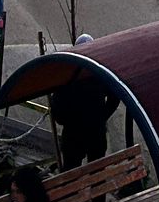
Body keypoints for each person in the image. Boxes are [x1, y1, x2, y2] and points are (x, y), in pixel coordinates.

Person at [49, 39, 118, 169]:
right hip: (92, 133)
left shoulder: (68, 75)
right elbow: (114, 98)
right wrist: (101, 117)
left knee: (73, 174)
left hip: (76, 134)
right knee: (94, 174)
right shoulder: (99, 72)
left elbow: (57, 109)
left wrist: (68, 121)